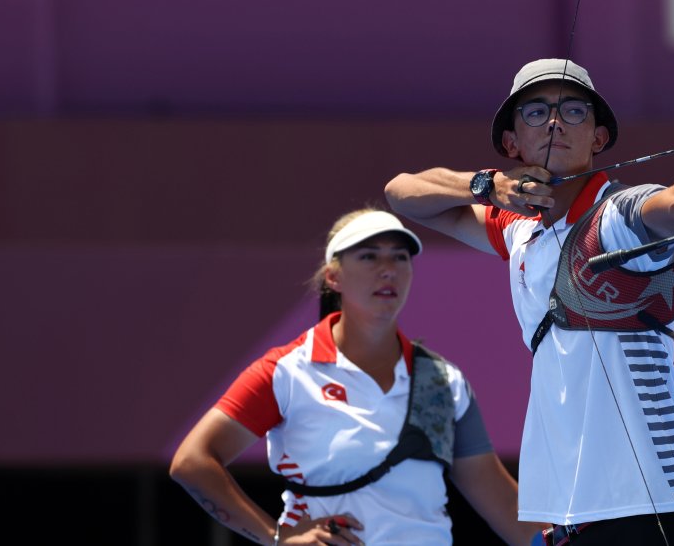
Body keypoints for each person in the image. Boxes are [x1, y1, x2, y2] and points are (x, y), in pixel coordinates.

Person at [384, 58, 674, 545]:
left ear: (599, 138)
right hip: (570, 513)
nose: (557, 122)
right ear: (512, 143)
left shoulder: (617, 216)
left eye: (575, 111)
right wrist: (487, 186)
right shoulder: (518, 228)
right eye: (537, 112)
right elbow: (403, 194)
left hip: (649, 506)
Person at [170, 209, 547, 545]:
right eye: (369, 256)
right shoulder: (286, 370)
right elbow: (192, 462)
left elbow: (503, 505)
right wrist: (276, 538)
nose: (388, 269)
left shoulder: (444, 382)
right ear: (333, 276)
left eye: (400, 257)